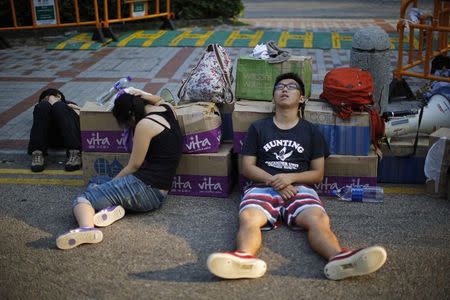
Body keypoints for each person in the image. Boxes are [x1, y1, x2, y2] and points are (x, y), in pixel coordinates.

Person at [206, 73, 387, 280]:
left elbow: (318, 174)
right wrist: (276, 182)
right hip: (262, 186)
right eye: (279, 87)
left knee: (318, 219)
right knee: (249, 218)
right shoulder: (259, 128)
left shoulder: (311, 132)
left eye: (291, 87)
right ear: (273, 97)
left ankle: (339, 258)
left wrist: (289, 179)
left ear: (301, 98)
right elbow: (247, 167)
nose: (284, 89)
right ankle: (244, 258)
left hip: (299, 188)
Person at [56, 87, 182, 250]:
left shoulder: (145, 125)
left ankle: (87, 229)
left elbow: (133, 166)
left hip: (146, 189)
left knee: (82, 200)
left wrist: (111, 185)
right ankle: (114, 208)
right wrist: (144, 95)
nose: (128, 126)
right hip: (158, 190)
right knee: (96, 180)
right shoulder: (167, 109)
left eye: (126, 121)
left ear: (130, 114)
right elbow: (158, 99)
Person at [28, 88, 82, 172]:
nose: (45, 101)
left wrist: (59, 104)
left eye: (46, 98)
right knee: (43, 106)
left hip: (69, 138)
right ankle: (37, 153)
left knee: (59, 106)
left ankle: (75, 153)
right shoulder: (43, 108)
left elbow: (83, 120)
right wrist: (46, 104)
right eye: (43, 100)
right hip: (48, 139)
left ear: (58, 96)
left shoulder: (69, 105)